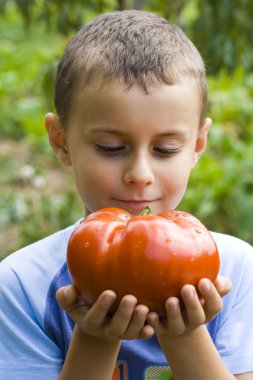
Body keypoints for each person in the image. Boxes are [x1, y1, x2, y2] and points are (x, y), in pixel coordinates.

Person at [0, 10, 252, 380]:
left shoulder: (235, 272)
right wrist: (94, 339)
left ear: (197, 144)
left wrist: (185, 336)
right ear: (61, 142)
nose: (139, 175)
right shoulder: (22, 288)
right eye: (111, 147)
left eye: (165, 149)